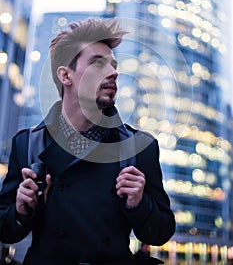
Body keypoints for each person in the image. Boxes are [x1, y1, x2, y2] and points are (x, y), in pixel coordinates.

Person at [0, 18, 175, 265]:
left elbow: (161, 233)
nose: (114, 72)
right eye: (97, 63)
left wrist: (139, 203)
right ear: (66, 75)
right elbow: (5, 231)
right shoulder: (28, 143)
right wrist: (21, 210)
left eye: (113, 64)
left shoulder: (140, 146)